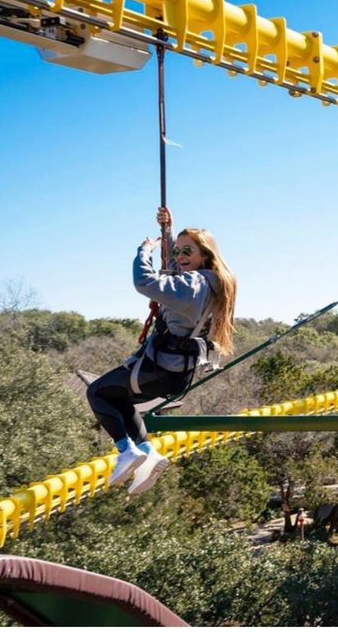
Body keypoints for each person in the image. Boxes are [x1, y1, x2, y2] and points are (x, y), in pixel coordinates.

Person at [85, 206, 237, 496]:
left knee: (97, 393)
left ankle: (126, 451)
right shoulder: (213, 283)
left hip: (160, 366)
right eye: (177, 252)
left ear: (204, 255)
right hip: (177, 371)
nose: (179, 258)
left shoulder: (192, 284)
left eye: (186, 252)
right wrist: (168, 232)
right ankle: (145, 452)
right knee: (119, 400)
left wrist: (144, 252)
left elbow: (147, 282)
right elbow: (177, 267)